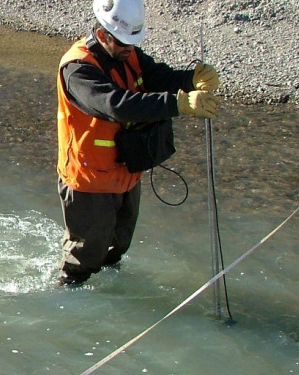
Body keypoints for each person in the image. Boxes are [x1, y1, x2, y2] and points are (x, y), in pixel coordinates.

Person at [55, 0, 220, 285]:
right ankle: (68, 296)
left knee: (118, 246)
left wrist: (190, 80)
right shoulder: (78, 69)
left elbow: (158, 77)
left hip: (125, 173)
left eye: (133, 43)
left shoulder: (127, 54)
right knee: (84, 258)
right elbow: (115, 104)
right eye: (123, 43)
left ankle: (111, 293)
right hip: (89, 180)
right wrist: (178, 104)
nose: (130, 49)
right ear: (104, 35)